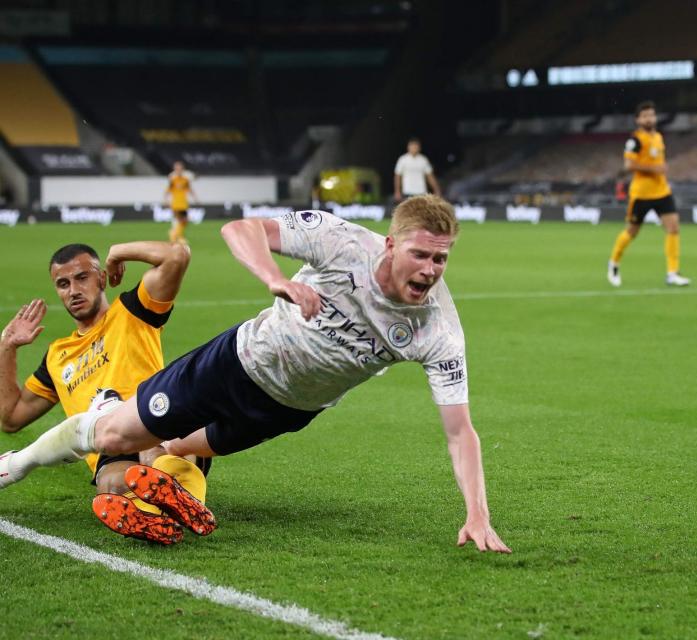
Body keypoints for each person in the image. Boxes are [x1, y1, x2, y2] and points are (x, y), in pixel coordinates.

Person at [0, 195, 510, 554]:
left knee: (181, 449)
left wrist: (478, 513)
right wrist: (275, 279)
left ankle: (151, 500)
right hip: (234, 364)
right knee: (113, 431)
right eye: (420, 254)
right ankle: (19, 463)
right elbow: (239, 229)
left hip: (285, 410)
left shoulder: (438, 330)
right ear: (390, 244)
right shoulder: (341, 241)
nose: (430, 270)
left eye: (441, 259)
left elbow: (460, 431)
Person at [0, 240, 212, 544]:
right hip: (107, 441)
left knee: (155, 449)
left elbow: (176, 256)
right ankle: (161, 509)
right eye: (63, 284)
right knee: (111, 484)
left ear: (102, 278)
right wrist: (6, 347)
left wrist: (118, 253)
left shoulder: (133, 310)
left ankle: (170, 499)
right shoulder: (56, 356)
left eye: (82, 277)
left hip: (155, 415)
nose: (72, 290)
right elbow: (11, 418)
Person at [607, 101, 690, 287]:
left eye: (651, 115)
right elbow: (628, 166)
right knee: (632, 232)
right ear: (638, 120)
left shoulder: (659, 137)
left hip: (662, 191)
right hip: (641, 194)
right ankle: (613, 262)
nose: (649, 118)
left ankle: (672, 272)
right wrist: (655, 169)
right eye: (645, 116)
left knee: (673, 228)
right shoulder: (634, 141)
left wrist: (658, 170)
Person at [165, 161, 196, 243]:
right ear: (174, 169)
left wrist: (195, 198)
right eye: (177, 168)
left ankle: (177, 235)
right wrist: (166, 200)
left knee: (185, 221)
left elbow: (190, 189)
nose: (178, 170)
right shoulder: (173, 179)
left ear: (182, 169)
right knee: (179, 220)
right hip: (176, 203)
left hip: (184, 203)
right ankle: (175, 236)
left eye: (180, 168)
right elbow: (167, 191)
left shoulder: (185, 180)